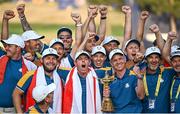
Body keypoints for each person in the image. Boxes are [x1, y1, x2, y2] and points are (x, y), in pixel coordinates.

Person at [13, 48, 63, 113]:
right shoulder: (30, 75)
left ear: (57, 61)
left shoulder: (60, 75)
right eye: (48, 58)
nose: (51, 61)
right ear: (41, 60)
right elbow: (16, 93)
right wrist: (19, 112)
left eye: (53, 58)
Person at [0, 34, 37, 113]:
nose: (6, 48)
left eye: (9, 46)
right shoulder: (1, 59)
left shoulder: (30, 66)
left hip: (16, 110)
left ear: (18, 48)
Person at [104, 48, 144, 113]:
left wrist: (139, 77)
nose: (118, 62)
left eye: (120, 59)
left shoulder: (134, 75)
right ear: (111, 63)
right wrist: (106, 97)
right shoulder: (109, 81)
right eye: (115, 60)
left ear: (125, 59)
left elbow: (141, 96)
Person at [142, 46, 176, 113]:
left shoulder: (168, 72)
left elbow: (176, 65)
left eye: (156, 57)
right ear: (146, 59)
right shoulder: (139, 74)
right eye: (151, 57)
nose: (154, 60)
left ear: (160, 60)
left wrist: (169, 39)